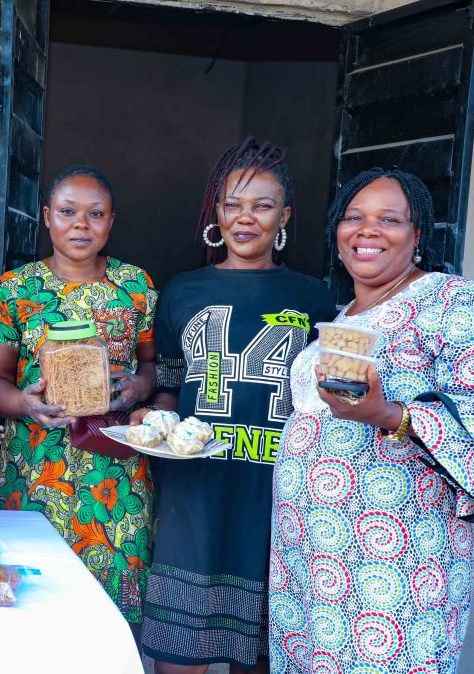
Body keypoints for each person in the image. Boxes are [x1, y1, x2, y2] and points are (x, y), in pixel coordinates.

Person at [268, 168, 474, 674]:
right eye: (353, 217)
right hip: (308, 551)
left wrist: (389, 414)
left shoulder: (456, 303)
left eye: (390, 220)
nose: (367, 229)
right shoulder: (344, 315)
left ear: (417, 234)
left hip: (392, 552)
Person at [135, 138, 337, 674]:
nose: (245, 218)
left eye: (263, 205)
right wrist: (150, 417)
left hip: (277, 495)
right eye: (232, 204)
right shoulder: (182, 291)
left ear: (285, 216)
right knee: (179, 657)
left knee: (264, 657)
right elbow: (171, 386)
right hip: (193, 492)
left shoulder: (313, 297)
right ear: (215, 213)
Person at [0, 166, 157, 633]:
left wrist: (140, 387)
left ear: (111, 222)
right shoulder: (14, 290)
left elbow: (155, 367)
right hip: (33, 470)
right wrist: (26, 404)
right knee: (30, 610)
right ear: (46, 217)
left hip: (114, 475)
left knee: (109, 619)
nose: (81, 224)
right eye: (67, 212)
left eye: (95, 214)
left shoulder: (135, 286)